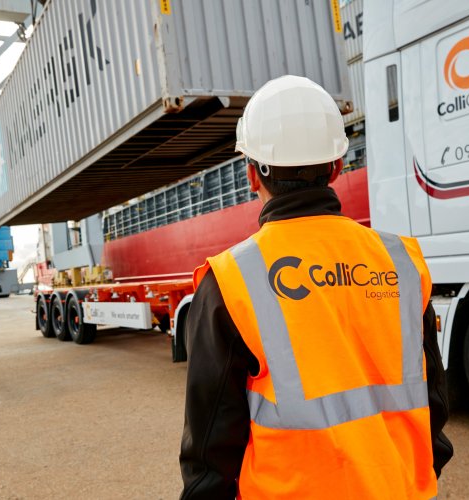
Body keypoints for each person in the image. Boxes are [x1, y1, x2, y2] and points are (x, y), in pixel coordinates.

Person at [179, 75, 452, 499]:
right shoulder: (400, 263)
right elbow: (433, 391)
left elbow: (212, 430)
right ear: (337, 167)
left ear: (252, 174)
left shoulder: (231, 278)